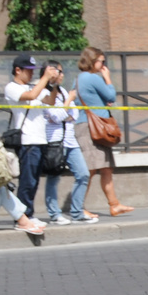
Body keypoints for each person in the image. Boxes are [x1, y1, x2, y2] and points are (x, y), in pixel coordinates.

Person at [76, 47, 132, 216]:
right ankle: (78, 208)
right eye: (101, 61)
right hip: (92, 127)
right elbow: (111, 95)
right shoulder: (93, 77)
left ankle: (114, 204)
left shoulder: (79, 78)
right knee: (91, 169)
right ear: (92, 60)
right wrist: (107, 79)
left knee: (106, 168)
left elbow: (92, 98)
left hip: (91, 127)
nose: (103, 65)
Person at [40, 65, 94, 224]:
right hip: (55, 141)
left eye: (62, 71)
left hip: (70, 141)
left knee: (83, 174)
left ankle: (77, 212)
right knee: (53, 178)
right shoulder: (44, 92)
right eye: (58, 71)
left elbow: (74, 114)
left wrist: (65, 110)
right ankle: (55, 214)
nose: (61, 74)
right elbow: (55, 116)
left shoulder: (63, 91)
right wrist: (68, 102)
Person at [5, 53, 57, 213]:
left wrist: (52, 84)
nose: (32, 73)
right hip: (27, 141)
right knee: (27, 181)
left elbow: (50, 101)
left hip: (40, 140)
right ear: (18, 70)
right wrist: (45, 78)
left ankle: (28, 213)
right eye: (28, 70)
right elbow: (32, 96)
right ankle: (23, 215)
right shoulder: (11, 87)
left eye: (33, 70)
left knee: (34, 181)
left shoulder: (33, 86)